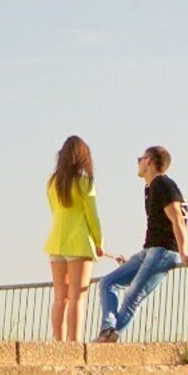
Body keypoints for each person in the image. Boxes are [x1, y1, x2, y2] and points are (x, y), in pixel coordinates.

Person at [93, 144, 188, 344]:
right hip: (149, 251)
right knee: (107, 283)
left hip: (163, 251)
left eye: (141, 158)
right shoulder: (150, 187)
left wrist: (183, 252)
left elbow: (178, 219)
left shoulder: (163, 184)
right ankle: (108, 329)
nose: (138, 162)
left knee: (132, 296)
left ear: (149, 161)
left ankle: (106, 340)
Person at [42, 135, 105, 342]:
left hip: (55, 242)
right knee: (78, 296)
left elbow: (54, 211)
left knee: (60, 297)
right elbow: (92, 216)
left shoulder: (52, 183)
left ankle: (58, 341)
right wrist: (99, 242)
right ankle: (74, 342)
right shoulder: (84, 182)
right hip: (79, 242)